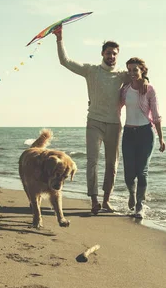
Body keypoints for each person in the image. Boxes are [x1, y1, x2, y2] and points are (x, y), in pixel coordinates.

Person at [53, 25, 134, 214]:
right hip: (94, 122)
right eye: (108, 53)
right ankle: (94, 200)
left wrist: (145, 82)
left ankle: (106, 200)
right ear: (102, 54)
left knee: (112, 164)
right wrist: (59, 39)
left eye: (114, 54)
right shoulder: (91, 71)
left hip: (114, 124)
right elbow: (65, 61)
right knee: (92, 162)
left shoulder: (122, 75)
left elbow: (140, 75)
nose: (111, 56)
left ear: (117, 55)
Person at [120, 57, 165, 218]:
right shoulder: (125, 89)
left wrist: (161, 138)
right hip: (128, 133)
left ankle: (140, 204)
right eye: (129, 70)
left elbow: (157, 115)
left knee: (142, 171)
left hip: (146, 133)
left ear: (142, 71)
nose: (132, 73)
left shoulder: (149, 89)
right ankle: (132, 194)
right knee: (128, 172)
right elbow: (114, 104)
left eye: (135, 70)